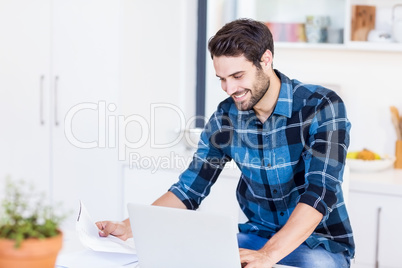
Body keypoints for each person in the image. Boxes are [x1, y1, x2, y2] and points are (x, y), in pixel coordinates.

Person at [96, 18, 354, 268]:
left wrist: (267, 256)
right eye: (222, 78)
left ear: (265, 60)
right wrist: (130, 227)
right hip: (256, 237)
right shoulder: (225, 117)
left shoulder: (321, 106)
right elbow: (189, 190)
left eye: (238, 75)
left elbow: (320, 192)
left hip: (320, 244)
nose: (229, 88)